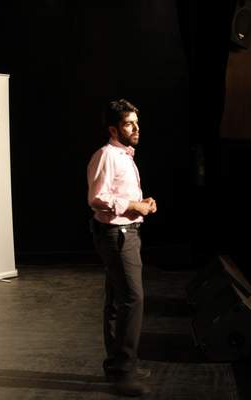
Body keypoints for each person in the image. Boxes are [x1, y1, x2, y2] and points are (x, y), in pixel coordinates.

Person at [87, 99, 157, 396]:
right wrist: (133, 206)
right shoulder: (106, 155)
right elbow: (96, 198)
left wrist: (143, 204)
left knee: (118, 299)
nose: (136, 129)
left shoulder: (125, 155)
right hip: (117, 235)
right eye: (129, 124)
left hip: (126, 232)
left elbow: (119, 195)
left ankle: (118, 365)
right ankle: (124, 371)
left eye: (136, 123)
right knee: (132, 299)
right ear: (113, 129)